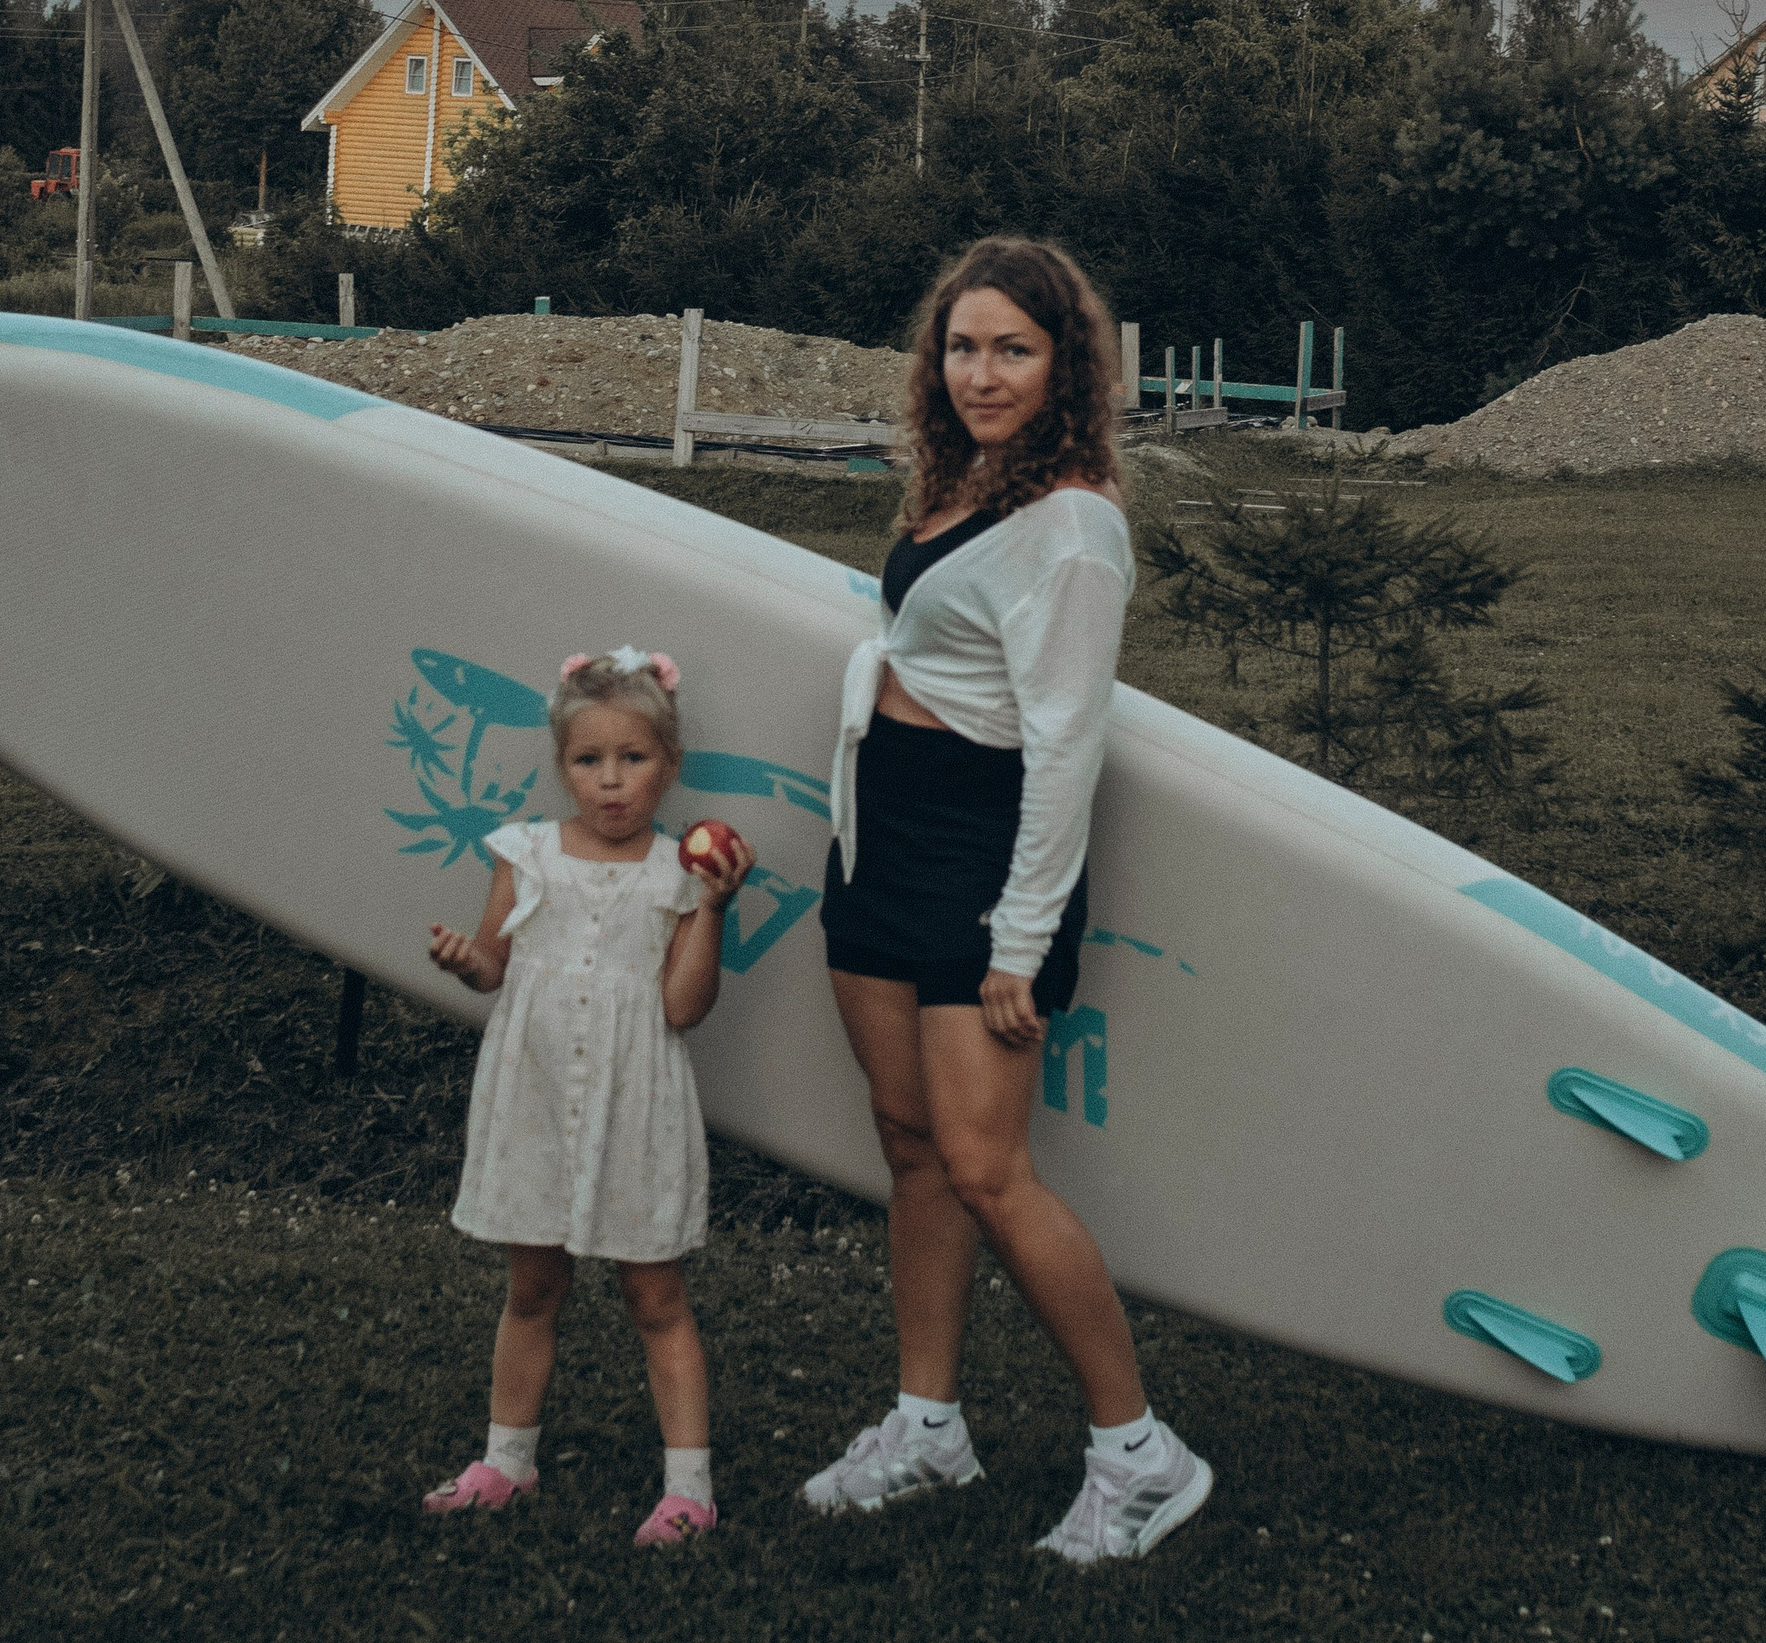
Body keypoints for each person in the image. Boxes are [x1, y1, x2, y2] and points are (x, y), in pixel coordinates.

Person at [806, 237, 1212, 1564]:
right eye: (963, 346)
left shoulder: (1076, 527)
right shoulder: (977, 479)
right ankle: (929, 1427)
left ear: (1066, 366)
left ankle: (1139, 1455)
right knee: (912, 1146)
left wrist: (1018, 942)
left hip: (984, 861)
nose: (980, 373)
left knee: (985, 1165)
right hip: (887, 841)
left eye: (1013, 350)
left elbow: (1066, 746)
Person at [424, 646, 755, 1545]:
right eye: (588, 761)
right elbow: (494, 966)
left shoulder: (680, 874)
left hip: (633, 1101)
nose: (611, 783)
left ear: (669, 764)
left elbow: (682, 1007)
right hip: (535, 1098)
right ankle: (506, 1461)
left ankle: (689, 1489)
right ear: (562, 764)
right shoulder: (525, 853)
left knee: (656, 1297)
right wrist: (468, 960)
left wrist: (715, 909)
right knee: (531, 1288)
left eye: (634, 759)